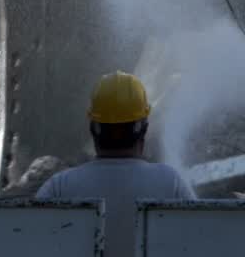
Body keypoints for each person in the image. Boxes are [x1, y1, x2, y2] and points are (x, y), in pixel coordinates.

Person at [35, 71, 196, 257]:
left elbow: (28, 240)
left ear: (93, 130)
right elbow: (201, 238)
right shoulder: (171, 183)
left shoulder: (60, 187)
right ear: (143, 130)